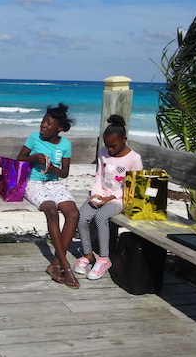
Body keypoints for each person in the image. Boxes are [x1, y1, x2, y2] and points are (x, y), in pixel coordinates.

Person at [17, 103, 80, 289]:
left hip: (54, 183)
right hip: (34, 183)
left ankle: (54, 263)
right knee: (51, 211)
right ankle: (65, 264)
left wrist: (54, 169)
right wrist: (33, 158)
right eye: (43, 122)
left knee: (73, 214)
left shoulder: (66, 145)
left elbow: (65, 173)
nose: (43, 126)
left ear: (59, 128)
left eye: (48, 123)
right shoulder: (34, 138)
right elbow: (18, 159)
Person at [74, 115, 142, 280]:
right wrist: (96, 193)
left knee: (101, 217)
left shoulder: (134, 158)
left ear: (124, 139)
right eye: (107, 145)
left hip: (119, 199)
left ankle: (104, 258)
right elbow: (99, 175)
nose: (109, 150)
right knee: (81, 217)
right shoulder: (103, 152)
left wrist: (110, 198)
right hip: (100, 195)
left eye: (113, 146)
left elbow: (133, 186)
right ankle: (88, 253)